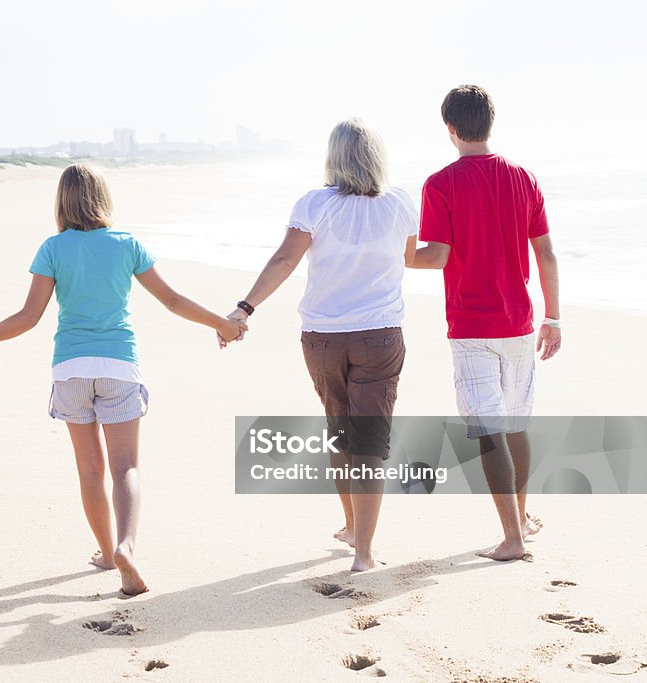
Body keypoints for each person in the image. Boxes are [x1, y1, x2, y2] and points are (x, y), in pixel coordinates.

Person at [0, 164, 246, 595]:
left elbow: (28, 317)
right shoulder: (126, 245)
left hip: (70, 368)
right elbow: (173, 301)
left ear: (62, 202)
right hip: (118, 366)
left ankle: (107, 553)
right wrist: (222, 324)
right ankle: (126, 546)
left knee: (90, 469)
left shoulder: (53, 248)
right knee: (125, 466)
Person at [226, 119, 418, 572]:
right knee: (371, 440)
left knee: (340, 430)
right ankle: (363, 554)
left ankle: (352, 526)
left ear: (334, 157)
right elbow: (408, 258)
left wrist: (244, 309)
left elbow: (285, 259)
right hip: (380, 334)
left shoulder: (314, 203)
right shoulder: (399, 203)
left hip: (322, 338)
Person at [409, 85, 561, 561]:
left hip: (472, 327)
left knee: (488, 430)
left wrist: (400, 251)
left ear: (451, 130)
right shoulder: (523, 177)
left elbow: (435, 257)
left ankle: (512, 538)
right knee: (515, 426)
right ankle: (524, 517)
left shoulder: (440, 184)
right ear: (489, 124)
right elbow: (546, 254)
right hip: (519, 322)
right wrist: (553, 316)